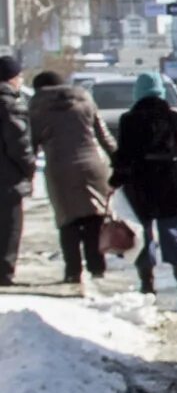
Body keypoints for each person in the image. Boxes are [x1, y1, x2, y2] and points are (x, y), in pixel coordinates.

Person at [116, 71, 177, 311]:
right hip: (176, 181)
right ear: (161, 92)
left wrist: (116, 181)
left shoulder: (128, 120)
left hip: (141, 182)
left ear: (138, 93)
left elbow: (123, 157)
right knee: (176, 232)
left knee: (143, 234)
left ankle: (147, 285)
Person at [26, 70, 115, 290]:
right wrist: (120, 160)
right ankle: (97, 267)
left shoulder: (38, 106)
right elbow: (104, 136)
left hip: (60, 168)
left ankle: (73, 271)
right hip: (94, 166)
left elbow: (30, 144)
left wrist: (25, 174)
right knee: (95, 218)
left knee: (68, 221)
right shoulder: (85, 98)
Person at [0, 56, 30, 285]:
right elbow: (18, 143)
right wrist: (28, 167)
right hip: (7, 176)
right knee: (10, 226)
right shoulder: (8, 104)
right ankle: (4, 274)